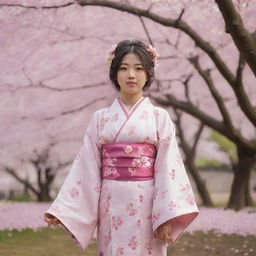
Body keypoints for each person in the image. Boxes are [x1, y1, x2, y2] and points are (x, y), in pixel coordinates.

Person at [44, 39, 199, 256]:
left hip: (148, 204)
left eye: (138, 68)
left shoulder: (159, 117)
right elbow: (86, 168)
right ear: (115, 73)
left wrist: (166, 216)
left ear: (148, 74)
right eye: (124, 68)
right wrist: (63, 209)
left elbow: (168, 169)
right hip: (111, 202)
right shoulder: (100, 119)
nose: (131, 75)